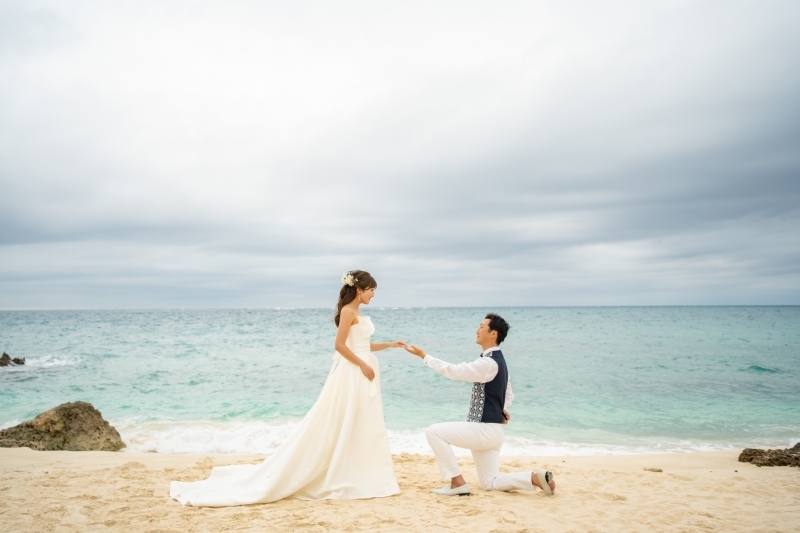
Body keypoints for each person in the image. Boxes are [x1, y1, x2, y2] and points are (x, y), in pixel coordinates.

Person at [170, 270, 404, 506]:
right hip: (353, 373)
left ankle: (359, 470)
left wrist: (391, 345)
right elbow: (340, 346)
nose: (374, 294)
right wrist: (362, 364)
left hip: (364, 372)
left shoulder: (358, 312)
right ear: (359, 290)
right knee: (341, 420)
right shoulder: (347, 311)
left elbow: (363, 345)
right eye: (372, 289)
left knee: (363, 421)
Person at [403, 313, 556, 496]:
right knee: (489, 483)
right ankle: (534, 478)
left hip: (483, 430)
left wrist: (424, 356)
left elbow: (455, 371)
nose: (477, 330)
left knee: (434, 432)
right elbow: (509, 393)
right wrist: (502, 410)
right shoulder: (499, 361)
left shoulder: (489, 363)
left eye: (481, 326)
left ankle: (457, 483)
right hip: (492, 433)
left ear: (493, 334)